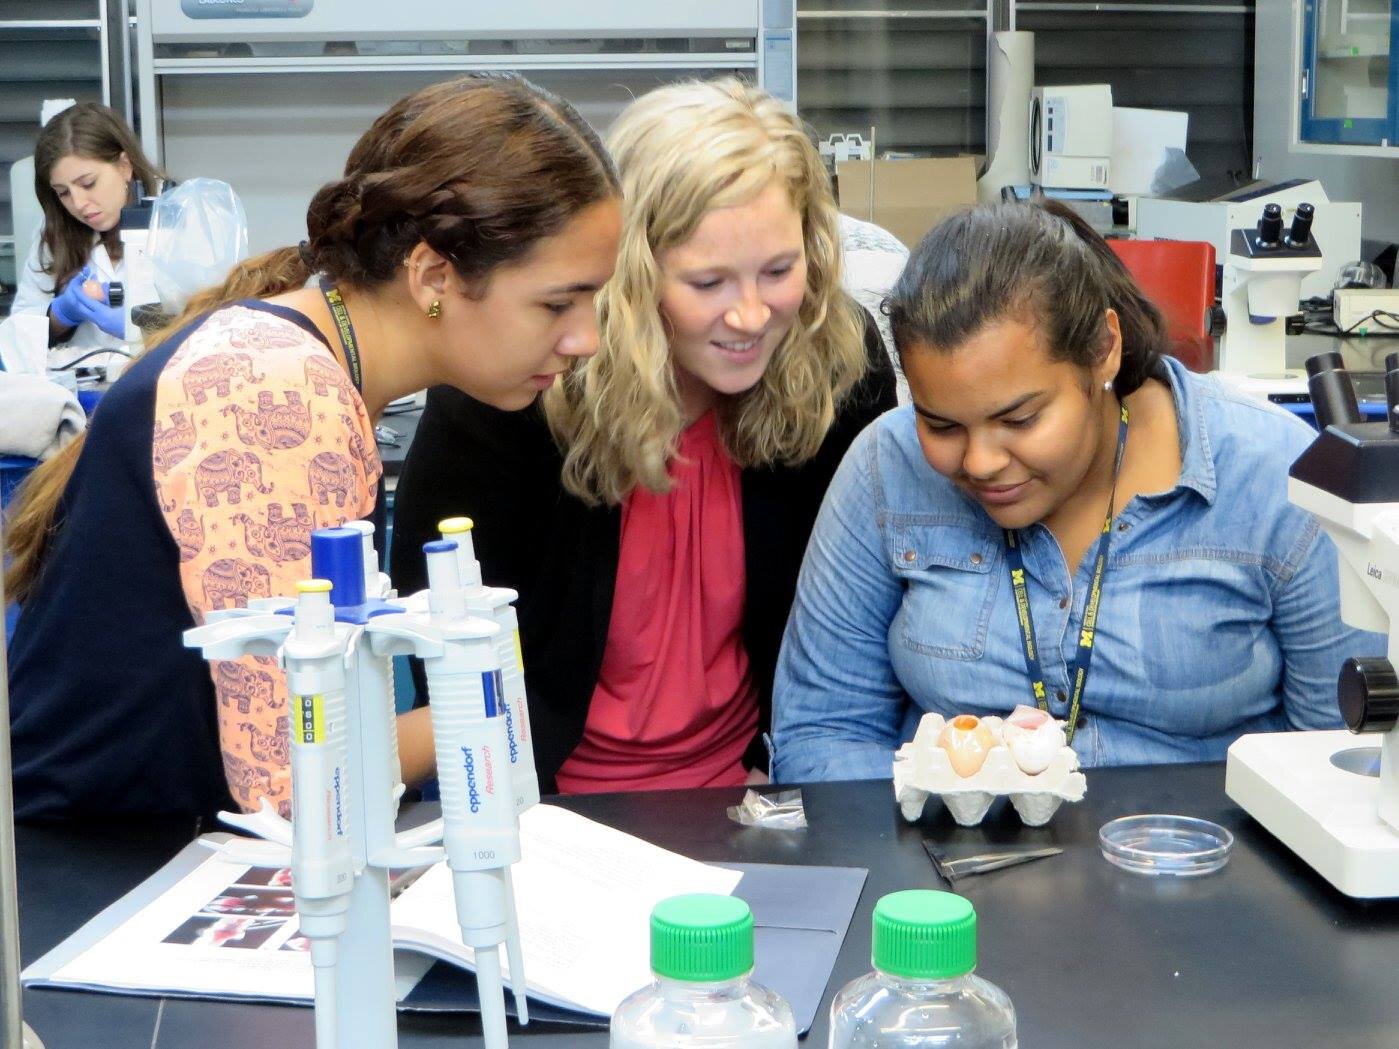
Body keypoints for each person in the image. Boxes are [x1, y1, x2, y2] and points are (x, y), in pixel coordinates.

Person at [5, 74, 621, 819]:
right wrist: (492, 708)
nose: (586, 338)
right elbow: (295, 781)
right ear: (431, 274)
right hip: (95, 870)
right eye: (558, 302)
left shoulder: (307, 358)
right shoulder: (279, 389)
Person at [390, 78, 897, 795]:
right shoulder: (513, 387)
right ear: (631, 273)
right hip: (545, 795)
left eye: (778, 271)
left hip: (761, 787)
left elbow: (852, 631)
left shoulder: (838, 365)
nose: (751, 315)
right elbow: (435, 628)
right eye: (709, 282)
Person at [771, 201, 1384, 783]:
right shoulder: (887, 465)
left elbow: (1346, 758)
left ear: (1103, 351)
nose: (981, 462)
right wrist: (954, 798)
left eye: (1020, 420)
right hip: (950, 872)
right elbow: (820, 737)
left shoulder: (1271, 476)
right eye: (942, 425)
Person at [11, 102, 167, 369]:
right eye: (63, 192)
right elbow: (19, 336)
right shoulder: (54, 232)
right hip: (77, 393)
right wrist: (60, 316)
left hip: (159, 387)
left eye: (87, 184)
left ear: (124, 166)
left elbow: (214, 324)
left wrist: (146, 328)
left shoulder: (179, 218)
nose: (79, 203)